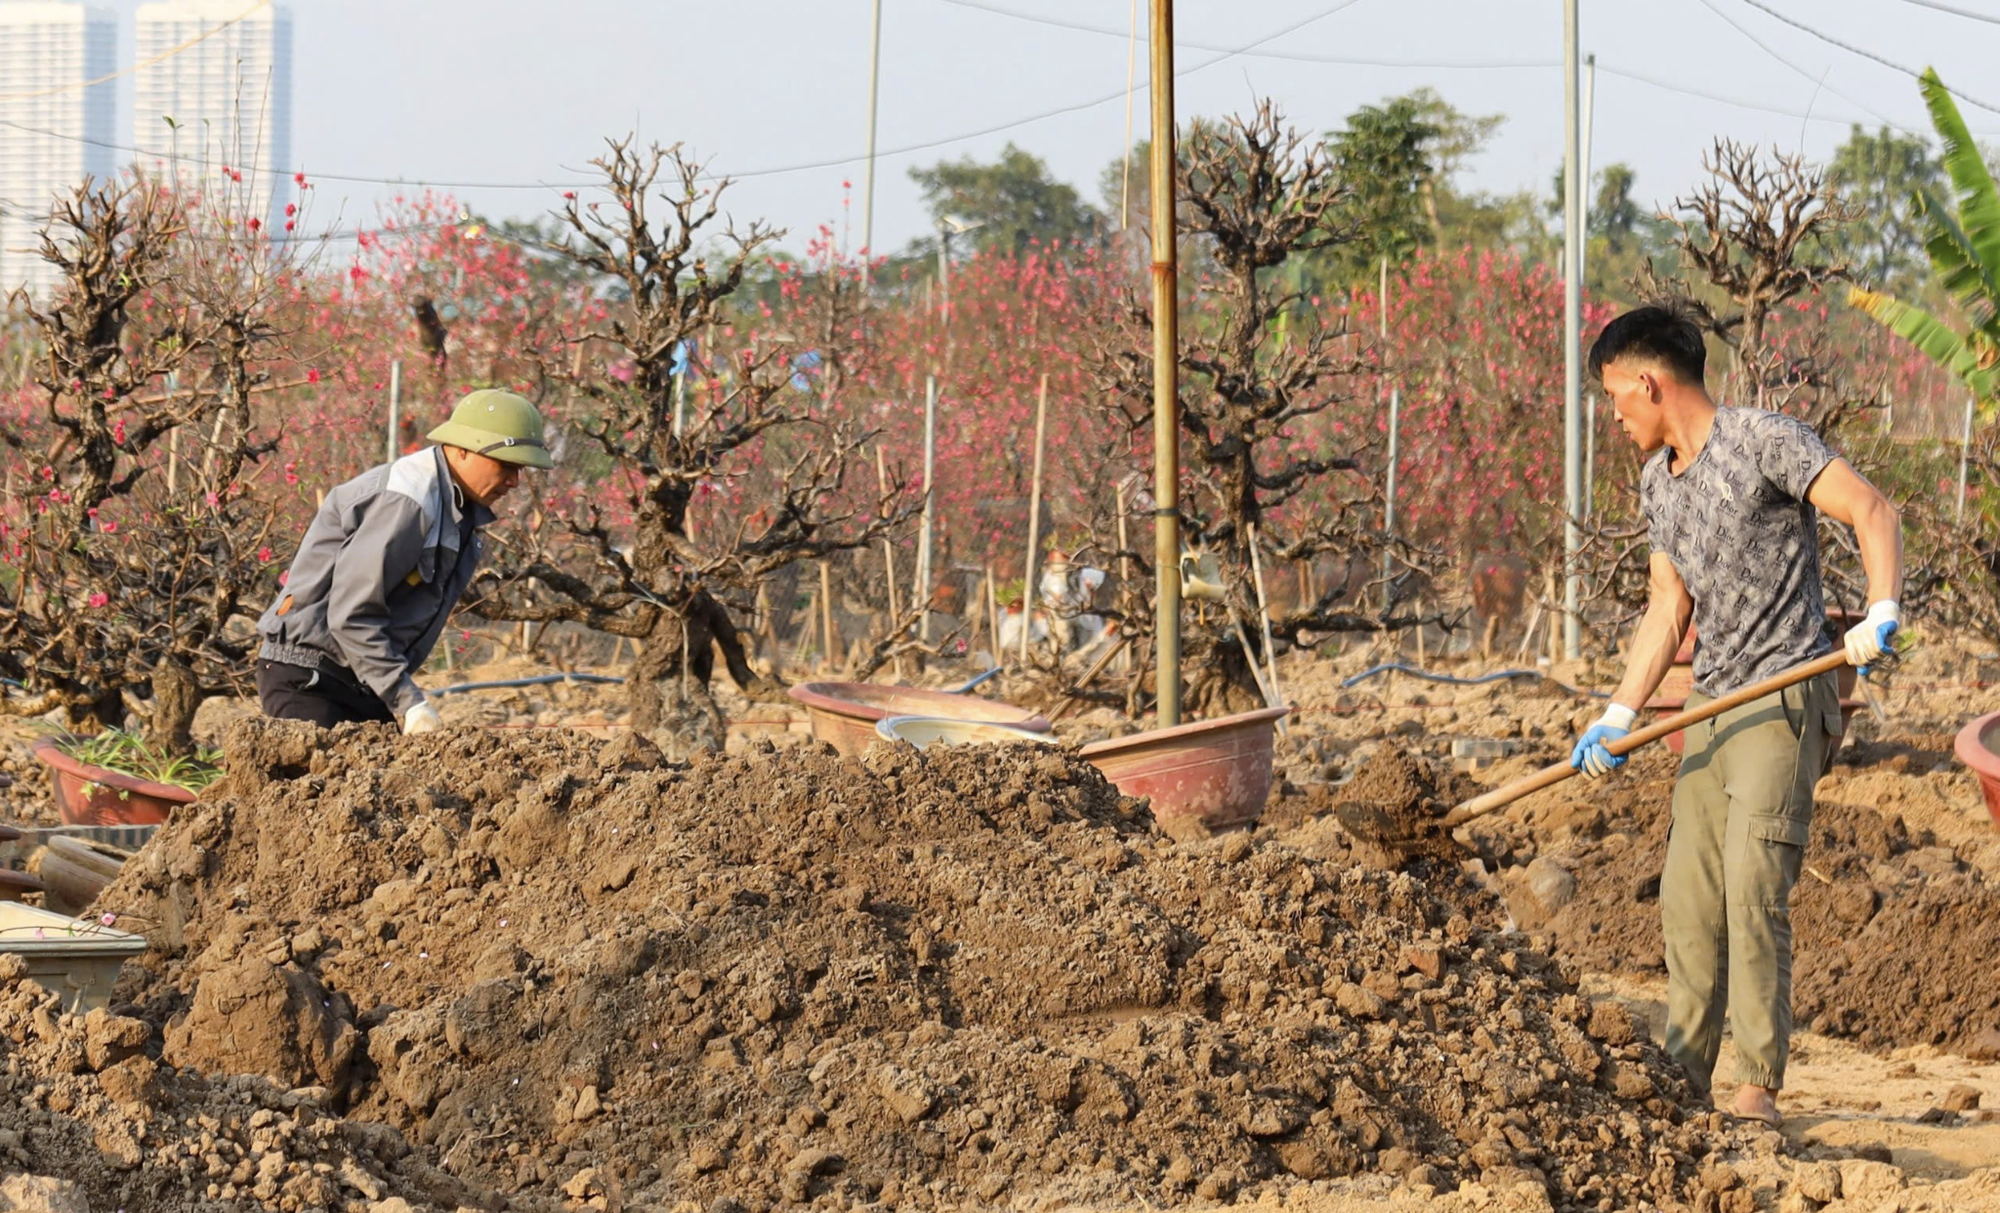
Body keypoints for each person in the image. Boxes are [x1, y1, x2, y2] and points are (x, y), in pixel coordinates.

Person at [1569, 306, 1902, 1127]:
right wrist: (1618, 712)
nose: (1613, 417)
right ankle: (1685, 1072)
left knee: (1755, 888)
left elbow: (1872, 511)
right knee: (1687, 898)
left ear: (1649, 383)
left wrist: (1881, 607)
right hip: (1713, 705)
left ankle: (1756, 1086)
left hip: (1786, 692)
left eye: (1615, 398)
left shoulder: (1765, 441)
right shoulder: (1658, 482)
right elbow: (1666, 607)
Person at [255, 389, 554, 733]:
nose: (515, 481)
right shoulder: (408, 502)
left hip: (358, 682)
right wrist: (409, 701)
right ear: (462, 450)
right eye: (506, 465)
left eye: (521, 469)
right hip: (312, 679)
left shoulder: (458, 514)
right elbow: (351, 615)